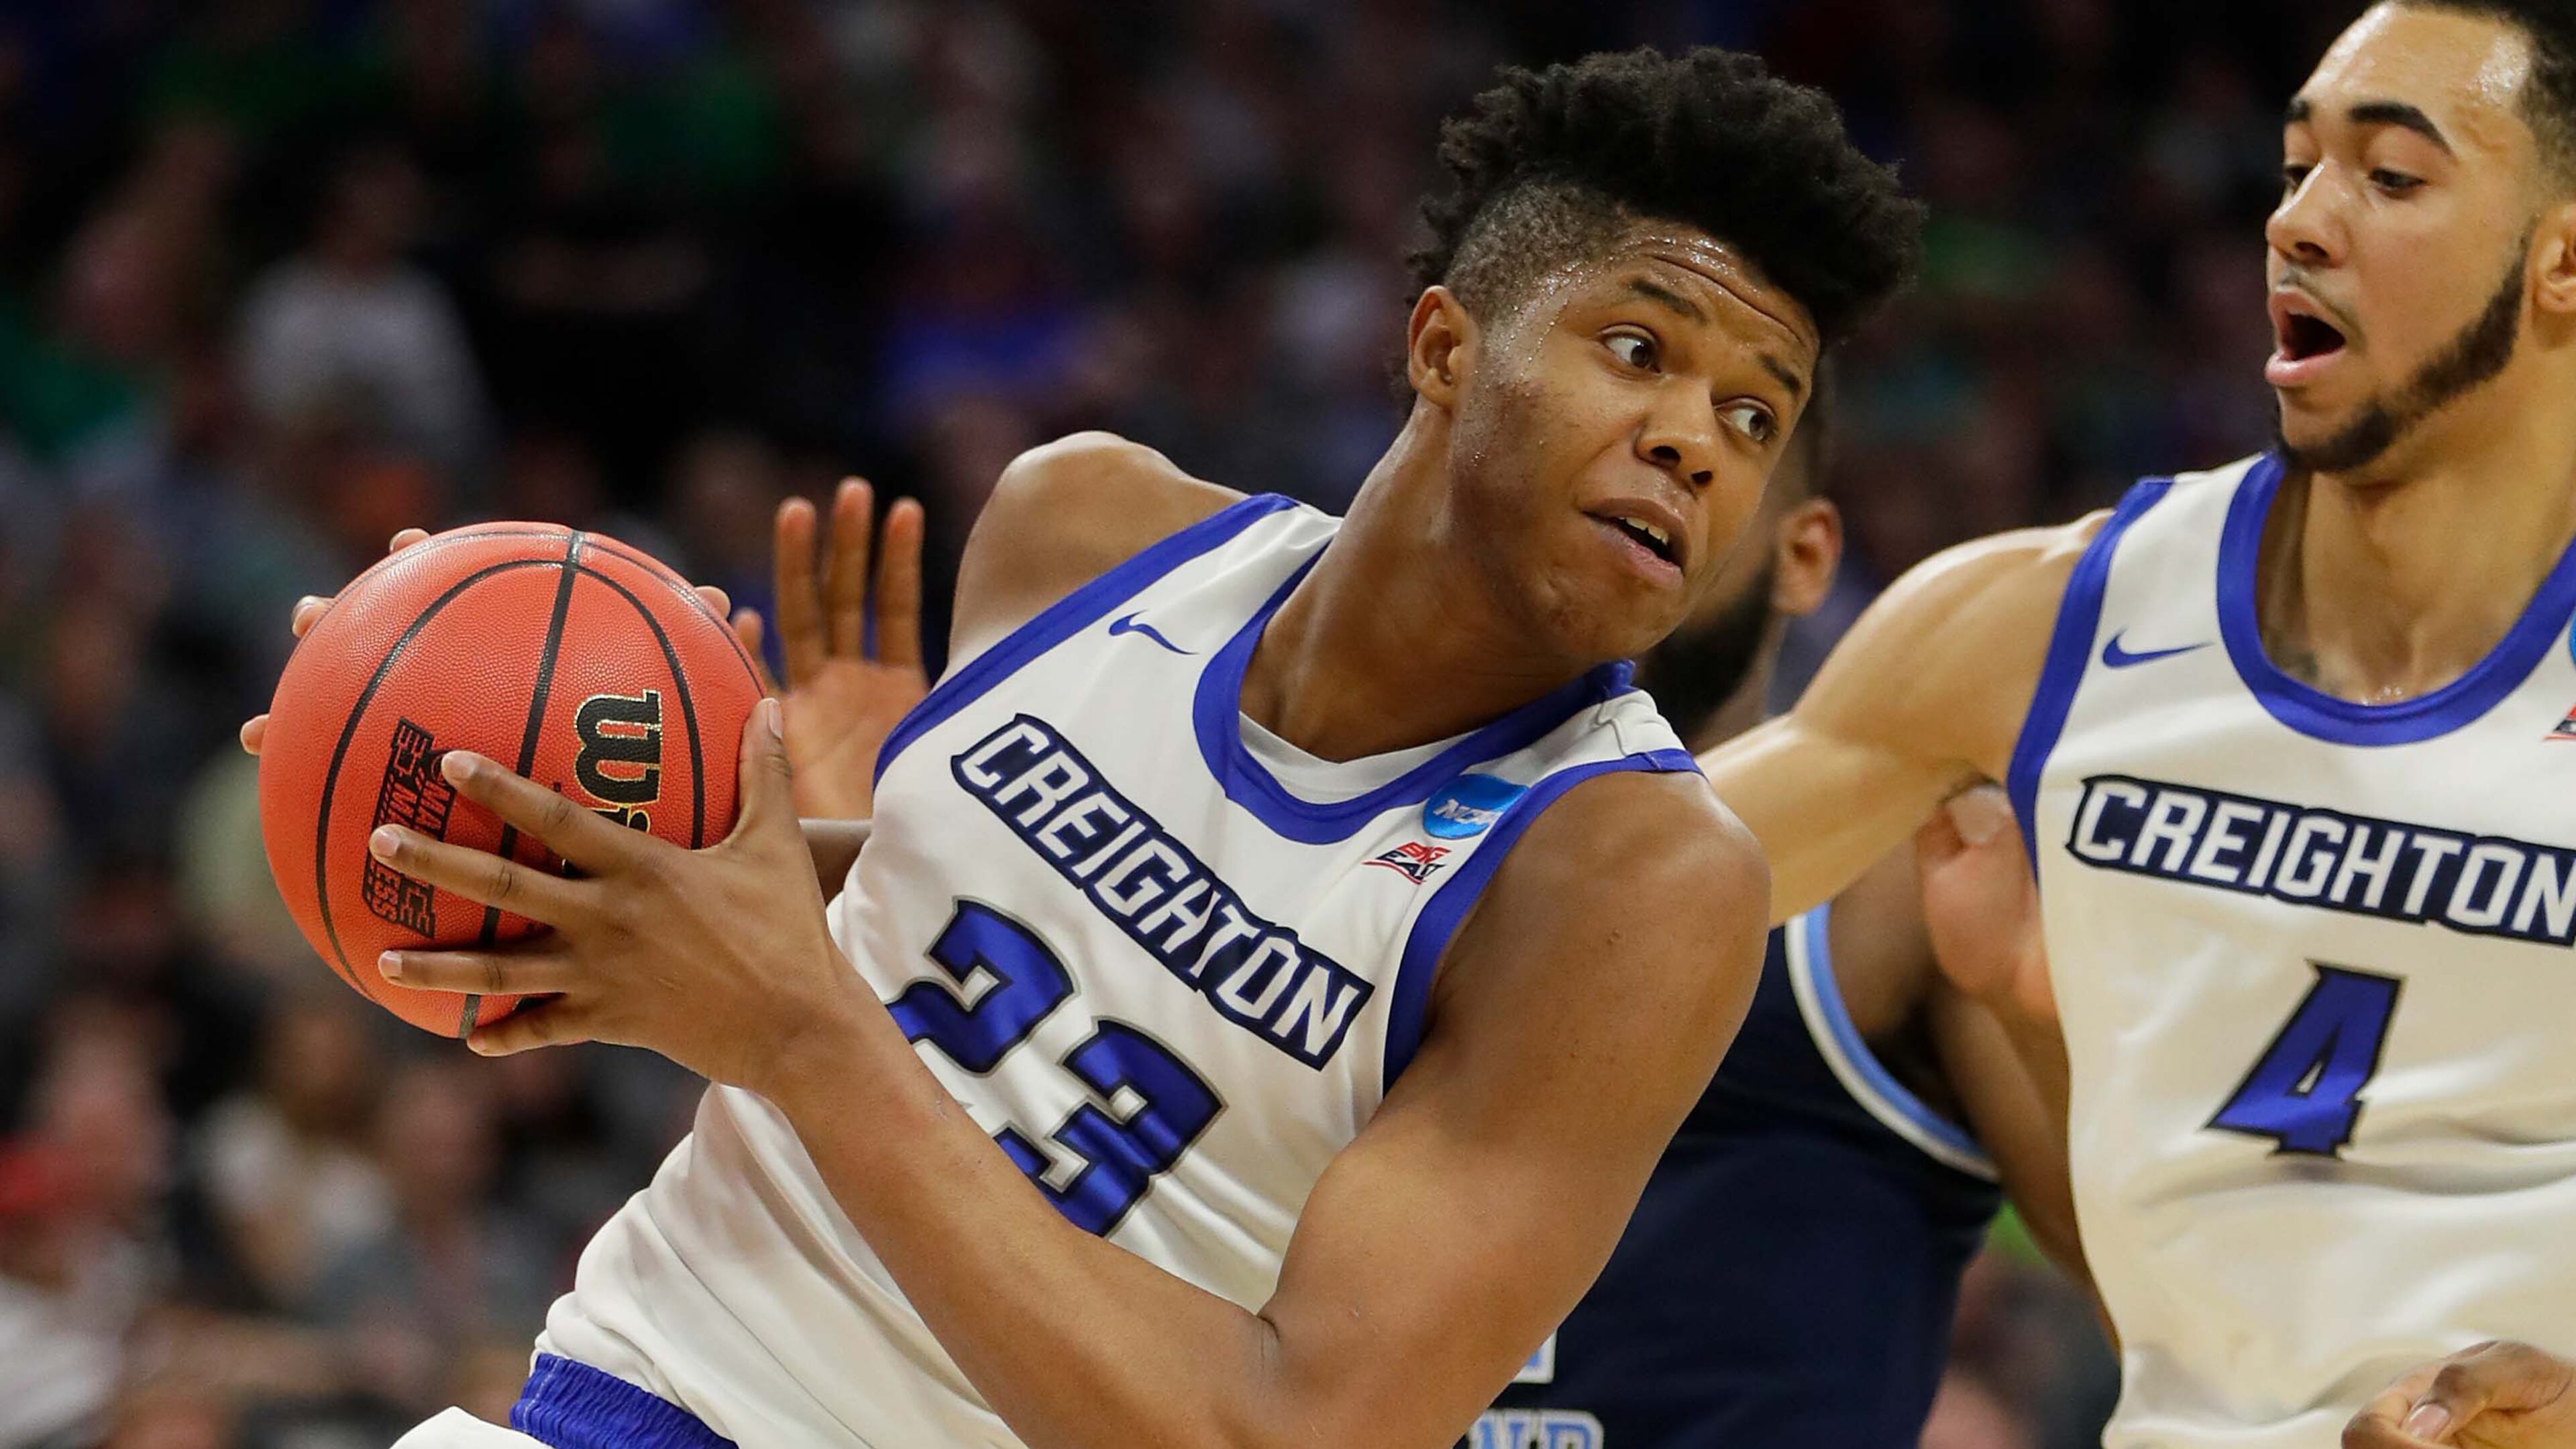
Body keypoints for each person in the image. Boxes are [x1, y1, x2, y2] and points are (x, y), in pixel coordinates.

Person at [244, 46, 1923, 1449]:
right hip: (606, 1401)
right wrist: (508, 799)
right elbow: (978, 949)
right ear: (1441, 347)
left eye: (1753, 414)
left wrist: (795, 1023)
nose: (1696, 441)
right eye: (1641, 351)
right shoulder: (1087, 526)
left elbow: (1299, 1433)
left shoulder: (1631, 872)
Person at [1688, 3, 2576, 1445]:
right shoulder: (2037, 631)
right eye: (2295, 168)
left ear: (2562, 258)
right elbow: (1574, 894)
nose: (2298, 223)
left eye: (2389, 178)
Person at [1468, 367, 2080, 1447]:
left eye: (1725, 448)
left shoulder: (1897, 883)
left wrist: (2027, 1009)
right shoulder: (1358, 853)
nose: (1651, 483)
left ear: (1804, 557)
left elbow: (2166, 1295)